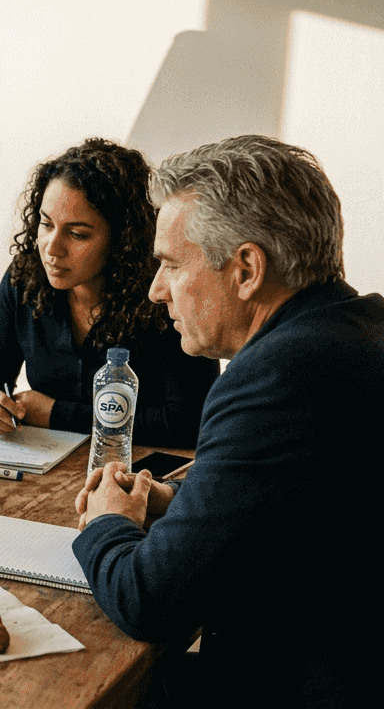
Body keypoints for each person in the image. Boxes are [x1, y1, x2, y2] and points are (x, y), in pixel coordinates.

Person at [73, 135, 379, 707]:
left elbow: (149, 603)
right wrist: (182, 506)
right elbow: (301, 516)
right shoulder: (359, 331)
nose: (155, 291)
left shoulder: (274, 378)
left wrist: (105, 523)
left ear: (245, 269)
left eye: (168, 264)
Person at [0, 138, 218, 447]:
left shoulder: (166, 294)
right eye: (46, 225)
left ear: (122, 237)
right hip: (46, 468)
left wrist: (56, 414)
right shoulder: (26, 277)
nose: (52, 248)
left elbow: (187, 422)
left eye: (77, 234)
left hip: (141, 475)